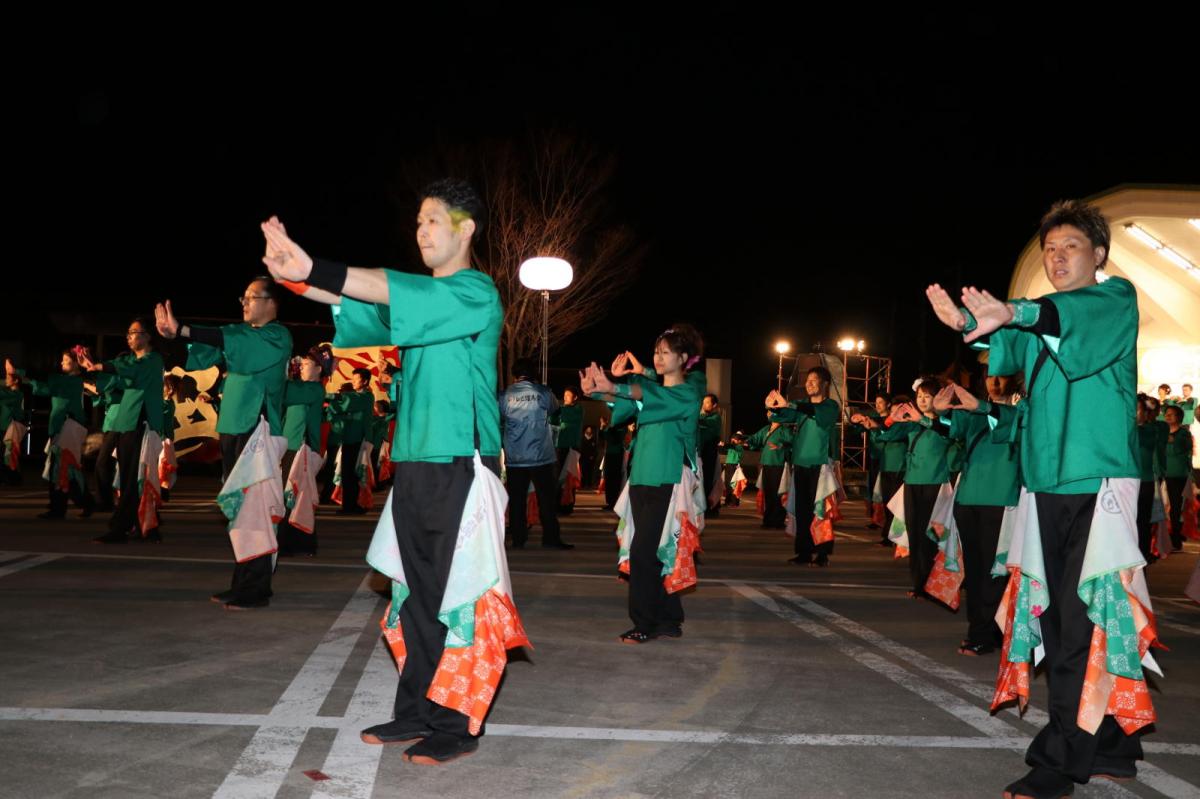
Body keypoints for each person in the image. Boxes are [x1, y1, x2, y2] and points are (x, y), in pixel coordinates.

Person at [260, 179, 528, 765]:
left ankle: (456, 725)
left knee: (458, 596)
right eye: (418, 222)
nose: (422, 230)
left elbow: (381, 286)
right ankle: (417, 710)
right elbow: (358, 308)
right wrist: (296, 277)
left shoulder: (475, 291)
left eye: (433, 220)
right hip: (412, 462)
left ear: (466, 229)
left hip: (461, 461)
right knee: (414, 595)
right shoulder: (419, 306)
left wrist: (319, 265)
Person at [926, 200, 1157, 798]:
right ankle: (1113, 744)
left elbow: (1056, 318)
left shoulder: (1114, 299)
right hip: (1044, 482)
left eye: (1070, 247)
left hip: (1096, 482)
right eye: (1050, 249)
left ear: (1098, 255)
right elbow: (1005, 345)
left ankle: (1059, 761)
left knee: (1076, 619)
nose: (1056, 258)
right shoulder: (1045, 318)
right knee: (1061, 614)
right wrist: (967, 325)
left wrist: (1018, 311)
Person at [155, 277, 292, 608]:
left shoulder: (277, 336)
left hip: (255, 431)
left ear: (271, 303)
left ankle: (256, 588)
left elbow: (230, 340)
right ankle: (245, 581)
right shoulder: (242, 336)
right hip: (234, 429)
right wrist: (176, 336)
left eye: (251, 297)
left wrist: (186, 329)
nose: (244, 303)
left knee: (254, 511)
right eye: (242, 298)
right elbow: (204, 354)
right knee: (241, 511)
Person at [581, 326, 706, 644]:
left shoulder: (688, 392)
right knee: (659, 550)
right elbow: (625, 405)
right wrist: (598, 391)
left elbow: (643, 395)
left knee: (643, 551)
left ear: (682, 358)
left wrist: (621, 387)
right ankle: (669, 618)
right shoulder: (651, 390)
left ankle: (644, 622)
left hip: (668, 479)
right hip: (641, 477)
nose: (659, 357)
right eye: (656, 352)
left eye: (666, 352)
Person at [936, 374, 1020, 656]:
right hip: (969, 497)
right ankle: (983, 630)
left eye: (1000, 375)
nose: (993, 381)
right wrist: (940, 412)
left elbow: (1008, 423)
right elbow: (950, 429)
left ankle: (985, 633)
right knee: (974, 572)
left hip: (1001, 499)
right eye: (989, 376)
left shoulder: (1022, 408)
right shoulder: (973, 411)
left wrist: (981, 408)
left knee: (995, 571)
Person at [81, 321, 167, 542]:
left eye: (134, 333)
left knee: (133, 477)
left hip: (141, 422)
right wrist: (93, 366)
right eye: (127, 333)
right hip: (125, 423)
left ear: (148, 336)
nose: (129, 337)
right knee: (132, 477)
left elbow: (130, 370)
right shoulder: (128, 360)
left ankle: (121, 527)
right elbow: (113, 378)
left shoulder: (152, 360)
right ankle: (146, 526)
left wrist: (103, 366)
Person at [766, 366, 840, 566]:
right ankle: (804, 552)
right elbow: (781, 416)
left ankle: (822, 554)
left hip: (820, 466)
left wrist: (790, 405)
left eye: (814, 380)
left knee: (820, 511)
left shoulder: (831, 406)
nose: (809, 384)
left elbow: (815, 412)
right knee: (802, 511)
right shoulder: (800, 404)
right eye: (807, 381)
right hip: (800, 464)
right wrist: (773, 407)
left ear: (824, 384)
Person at [10, 350, 96, 520]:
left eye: (65, 361)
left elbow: (47, 382)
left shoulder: (72, 381)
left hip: (68, 427)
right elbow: (43, 387)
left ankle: (63, 506)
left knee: (62, 468)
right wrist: (23, 377)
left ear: (77, 364)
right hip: (63, 428)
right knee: (62, 468)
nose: (61, 363)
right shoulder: (65, 381)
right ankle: (80, 502)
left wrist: (21, 372)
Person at [500, 356, 572, 550]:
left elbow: (500, 417)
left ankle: (518, 539)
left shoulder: (505, 395)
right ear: (534, 374)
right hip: (541, 456)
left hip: (515, 457)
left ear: (515, 374)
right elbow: (554, 409)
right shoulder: (543, 392)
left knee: (517, 500)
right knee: (546, 500)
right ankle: (550, 539)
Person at [279, 348, 329, 556]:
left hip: (300, 449)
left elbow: (286, 393)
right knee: (294, 497)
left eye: (307, 365)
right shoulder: (301, 387)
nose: (301, 367)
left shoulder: (314, 389)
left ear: (319, 369)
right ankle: (300, 544)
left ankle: (293, 543)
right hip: (288, 448)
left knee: (293, 497)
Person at [327, 367, 375, 514]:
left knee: (352, 474)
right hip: (350, 438)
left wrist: (332, 397)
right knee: (348, 473)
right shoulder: (357, 396)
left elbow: (347, 402)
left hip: (358, 439)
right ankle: (350, 505)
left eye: (356, 379)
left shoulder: (366, 396)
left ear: (365, 381)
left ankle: (351, 506)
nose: (353, 382)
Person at [743, 412, 792, 529]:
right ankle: (768, 520)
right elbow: (755, 438)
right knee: (769, 493)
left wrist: (781, 447)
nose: (769, 414)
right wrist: (744, 440)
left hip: (778, 464)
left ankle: (778, 521)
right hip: (766, 464)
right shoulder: (766, 429)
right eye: (768, 412)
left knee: (777, 493)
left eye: (772, 412)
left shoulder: (784, 430)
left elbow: (794, 443)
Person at [1134, 394, 1166, 563]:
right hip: (1124, 483)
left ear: (1146, 413)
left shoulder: (1151, 430)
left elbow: (1146, 442)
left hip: (1143, 482)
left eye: (1137, 409)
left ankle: (1142, 558)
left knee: (1142, 525)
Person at [1162, 405, 1193, 552]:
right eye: (1166, 414)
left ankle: (1175, 537)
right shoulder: (1160, 432)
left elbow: (1178, 449)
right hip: (1161, 473)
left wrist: (1169, 441)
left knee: (1175, 507)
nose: (1168, 417)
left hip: (1177, 475)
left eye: (1171, 414)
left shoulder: (1184, 433)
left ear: (1179, 417)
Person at [551, 387, 583, 514]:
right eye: (564, 395)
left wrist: (555, 410)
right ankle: (558, 504)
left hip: (570, 447)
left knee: (567, 477)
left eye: (568, 395)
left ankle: (566, 506)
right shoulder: (562, 410)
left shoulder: (577, 410)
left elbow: (562, 415)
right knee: (558, 476)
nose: (565, 397)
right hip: (559, 446)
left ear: (575, 397)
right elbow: (551, 420)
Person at [698, 393, 723, 517]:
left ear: (714, 405)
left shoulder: (716, 417)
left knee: (708, 480)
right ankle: (704, 507)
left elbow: (702, 421)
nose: (704, 405)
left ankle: (709, 508)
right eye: (703, 402)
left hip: (709, 452)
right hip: (702, 452)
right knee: (701, 480)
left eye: (707, 402)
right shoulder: (703, 416)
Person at [0, 369, 25, 486]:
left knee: (9, 455)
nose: (6, 380)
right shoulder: (9, 393)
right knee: (7, 454)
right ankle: (10, 478)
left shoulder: (17, 394)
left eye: (8, 377)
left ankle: (13, 478)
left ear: (16, 380)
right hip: (5, 426)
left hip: (11, 427)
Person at [598, 415, 627, 510]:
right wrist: (602, 427)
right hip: (609, 454)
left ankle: (613, 502)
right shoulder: (611, 428)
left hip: (617, 455)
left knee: (615, 480)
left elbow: (614, 440)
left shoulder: (621, 428)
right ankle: (609, 502)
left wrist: (608, 430)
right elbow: (603, 436)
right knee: (609, 479)